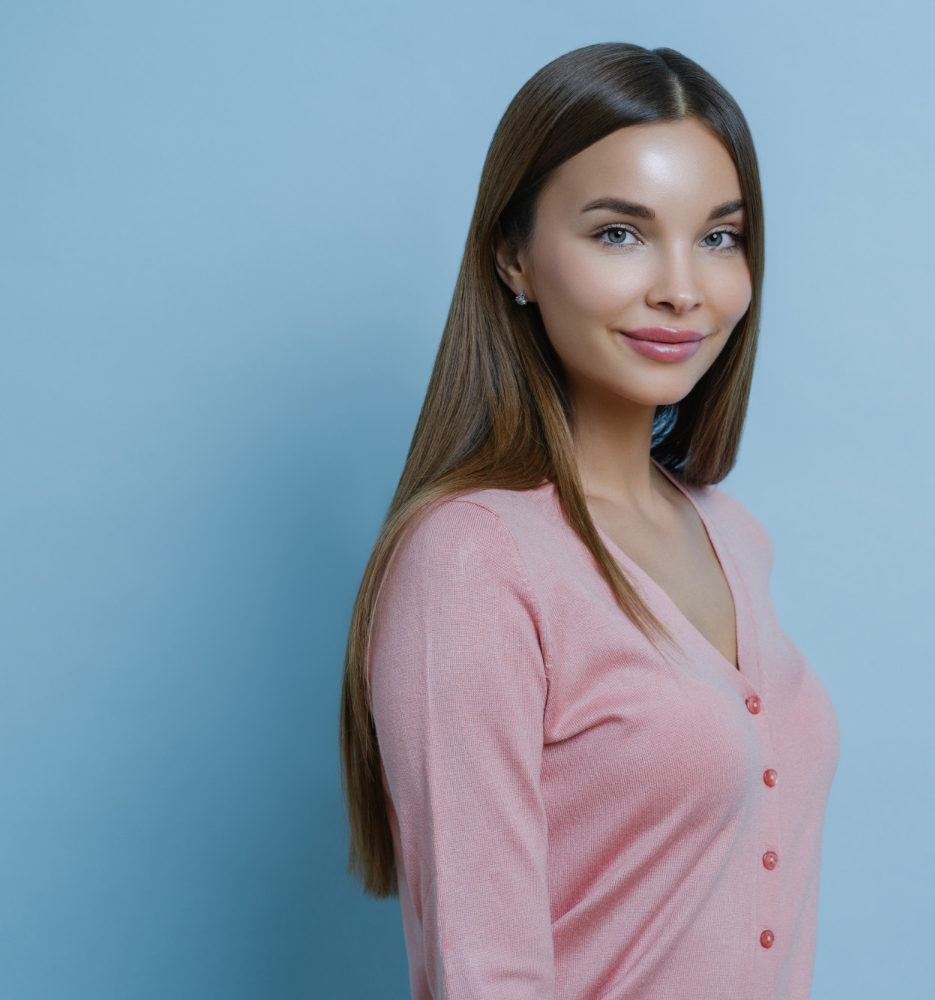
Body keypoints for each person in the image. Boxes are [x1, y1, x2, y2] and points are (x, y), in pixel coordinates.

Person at [338, 43, 840, 1000]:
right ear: (514, 255)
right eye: (620, 233)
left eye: (721, 237)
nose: (682, 288)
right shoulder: (471, 560)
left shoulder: (735, 535)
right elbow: (485, 975)